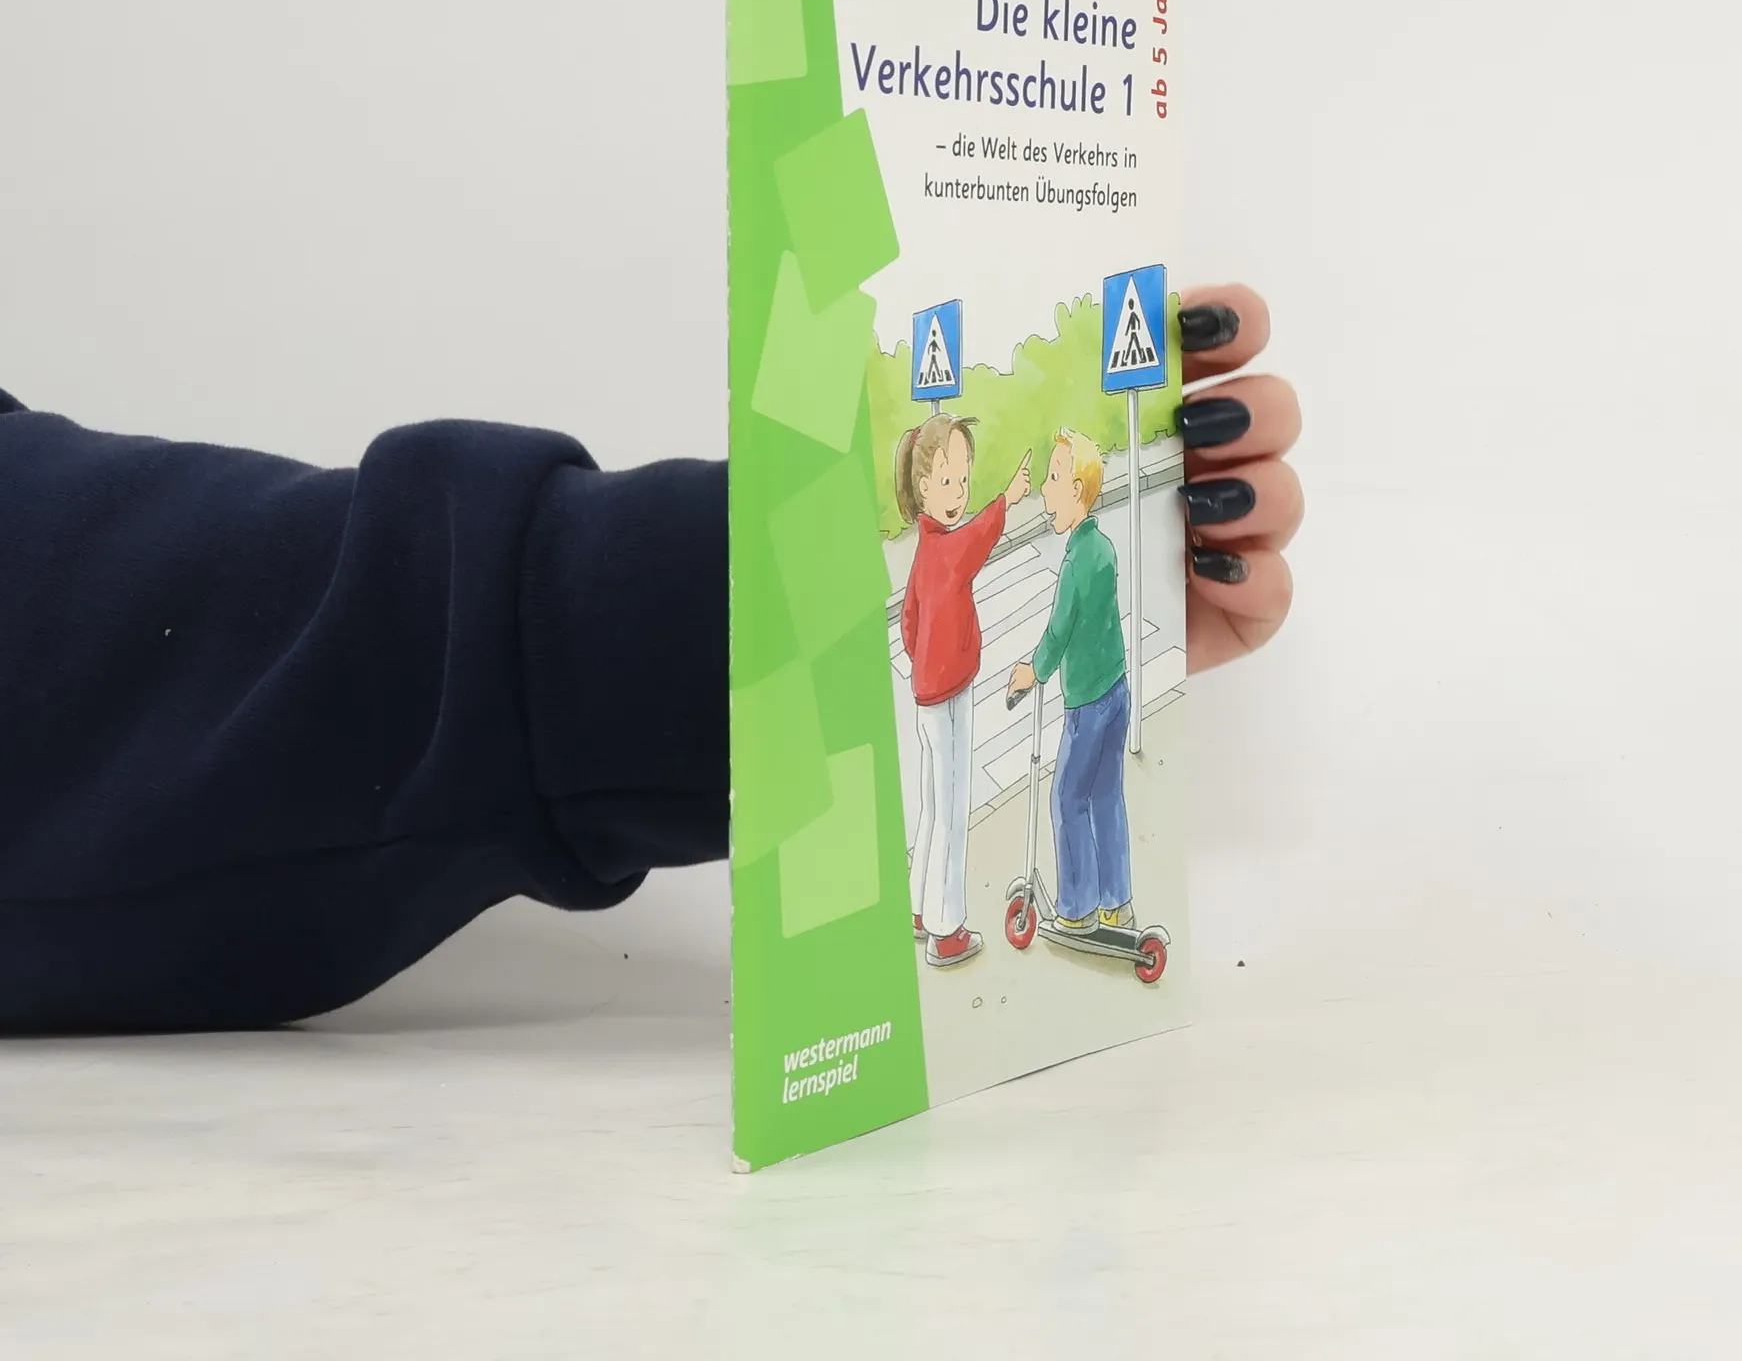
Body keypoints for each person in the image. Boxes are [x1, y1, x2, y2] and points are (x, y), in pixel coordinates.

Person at [0, 286, 1301, 1032]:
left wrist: (766, 595)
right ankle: (979, 908)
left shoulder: (1028, 541)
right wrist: (751, 604)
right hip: (941, 675)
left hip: (981, 671)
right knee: (1014, 796)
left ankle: (1065, 899)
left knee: (1064, 787)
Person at [896, 416, 1030, 969]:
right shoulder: (945, 551)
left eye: (964, 480)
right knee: (951, 810)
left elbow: (908, 623)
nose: (958, 493)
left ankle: (919, 908)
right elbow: (974, 544)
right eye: (948, 482)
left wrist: (927, 660)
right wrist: (1006, 500)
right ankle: (946, 929)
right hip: (948, 694)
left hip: (929, 694)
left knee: (933, 805)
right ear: (925, 487)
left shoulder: (926, 550)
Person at [1006, 429, 1133, 931]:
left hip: (1087, 705)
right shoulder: (1103, 549)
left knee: (1067, 798)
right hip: (1116, 691)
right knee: (1106, 795)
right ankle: (1116, 899)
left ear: (1077, 491)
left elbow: (1059, 632)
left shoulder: (1077, 562)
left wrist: (1031, 672)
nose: (1044, 489)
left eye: (1054, 478)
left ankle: (1078, 909)